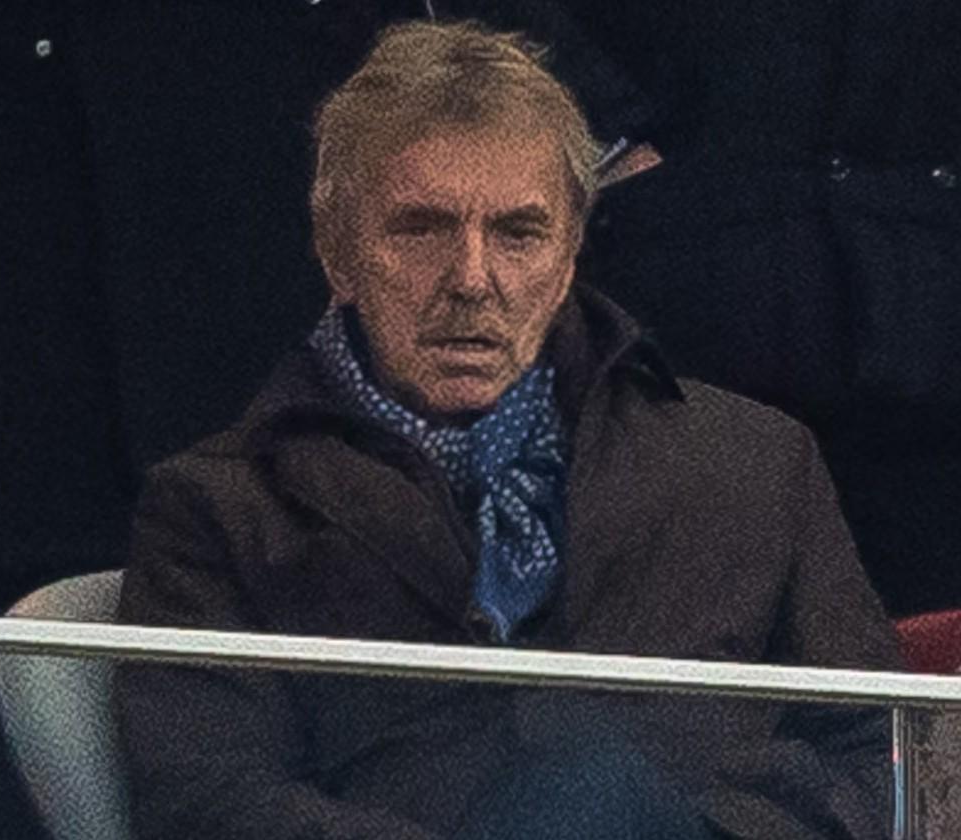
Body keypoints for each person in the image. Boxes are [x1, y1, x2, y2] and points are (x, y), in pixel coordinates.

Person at [114, 19, 901, 840]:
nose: (471, 279)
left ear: (568, 257)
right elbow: (205, 802)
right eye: (421, 229)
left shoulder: (753, 462)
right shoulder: (220, 507)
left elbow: (884, 756)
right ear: (337, 253)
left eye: (518, 233)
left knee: (595, 791)